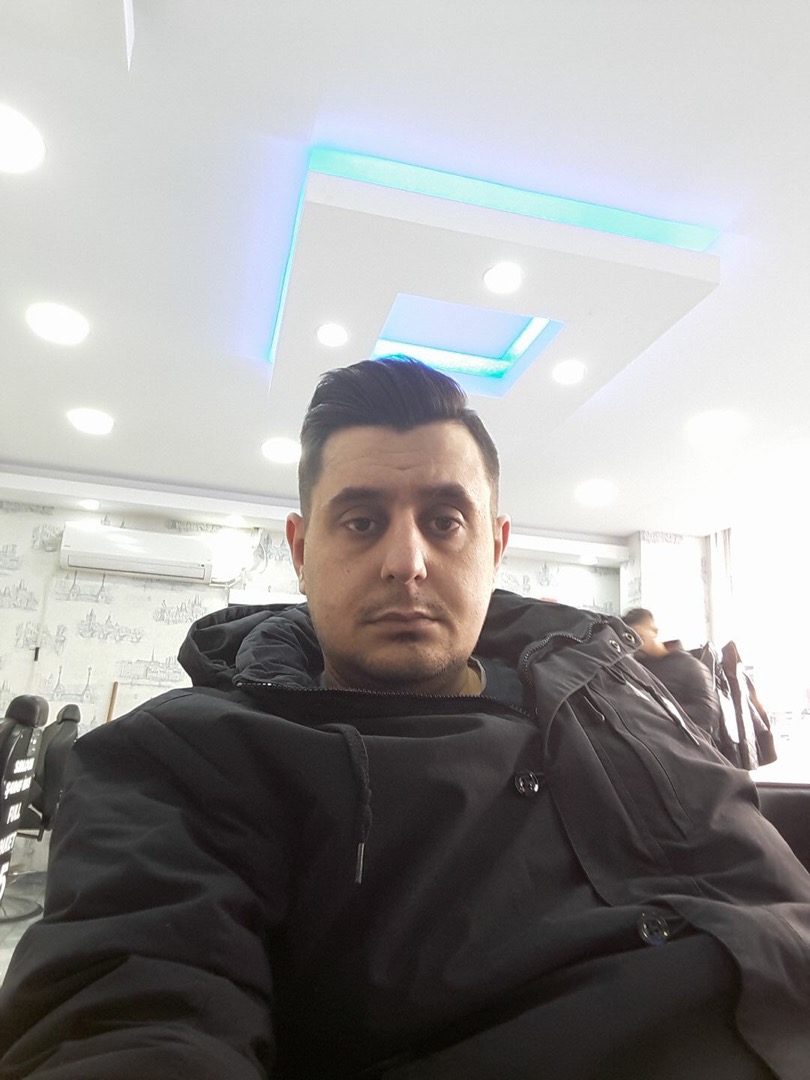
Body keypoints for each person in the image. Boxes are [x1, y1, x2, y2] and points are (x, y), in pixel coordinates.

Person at [1, 357, 808, 1080]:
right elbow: (128, 1009)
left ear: (495, 545)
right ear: (300, 550)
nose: (406, 562)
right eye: (361, 521)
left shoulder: (604, 685)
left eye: (445, 521)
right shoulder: (183, 755)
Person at [622, 606, 723, 742]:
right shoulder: (632, 671)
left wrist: (655, 715)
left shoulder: (691, 666)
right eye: (629, 640)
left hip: (686, 745)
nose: (636, 645)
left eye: (640, 637)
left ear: (654, 631)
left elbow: (707, 714)